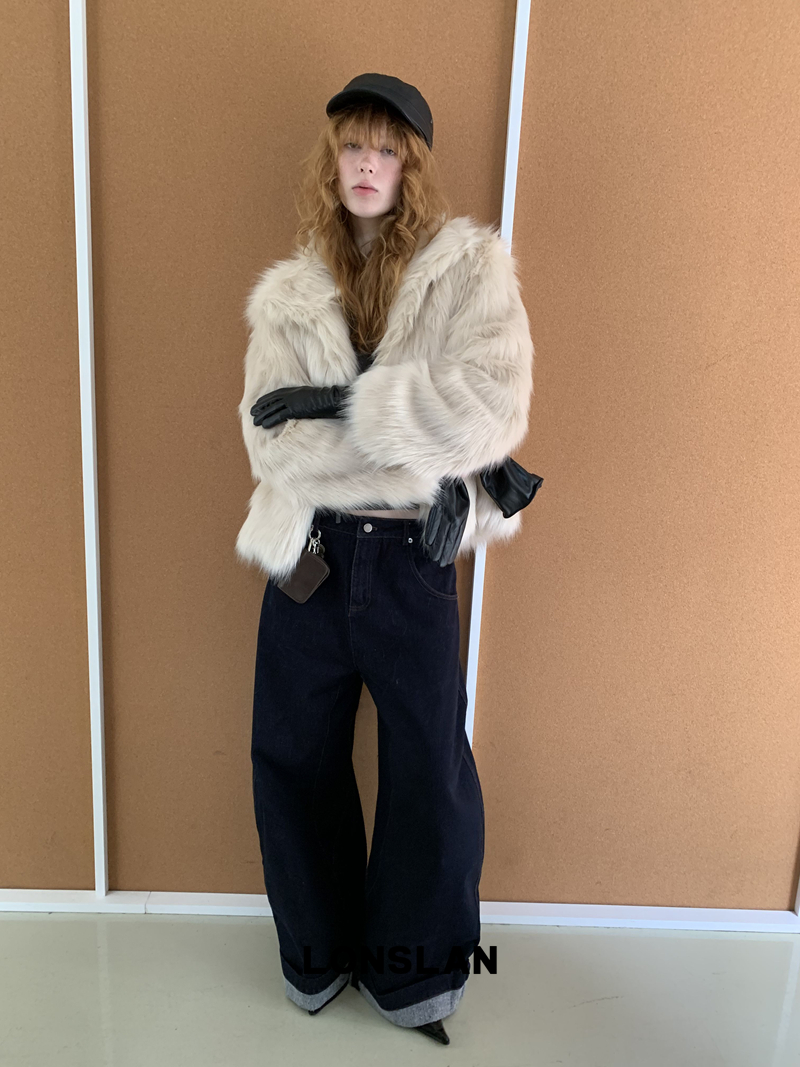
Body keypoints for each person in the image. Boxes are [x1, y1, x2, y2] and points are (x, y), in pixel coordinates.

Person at [236, 73, 535, 1046]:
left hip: (411, 561)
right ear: (332, 161)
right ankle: (314, 954)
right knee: (292, 757)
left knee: (427, 773)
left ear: (411, 166)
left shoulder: (469, 272)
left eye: (386, 149)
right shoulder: (289, 293)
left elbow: (494, 406)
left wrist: (342, 405)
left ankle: (415, 975)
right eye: (351, 147)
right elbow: (273, 445)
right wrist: (420, 447)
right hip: (310, 553)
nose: (366, 165)